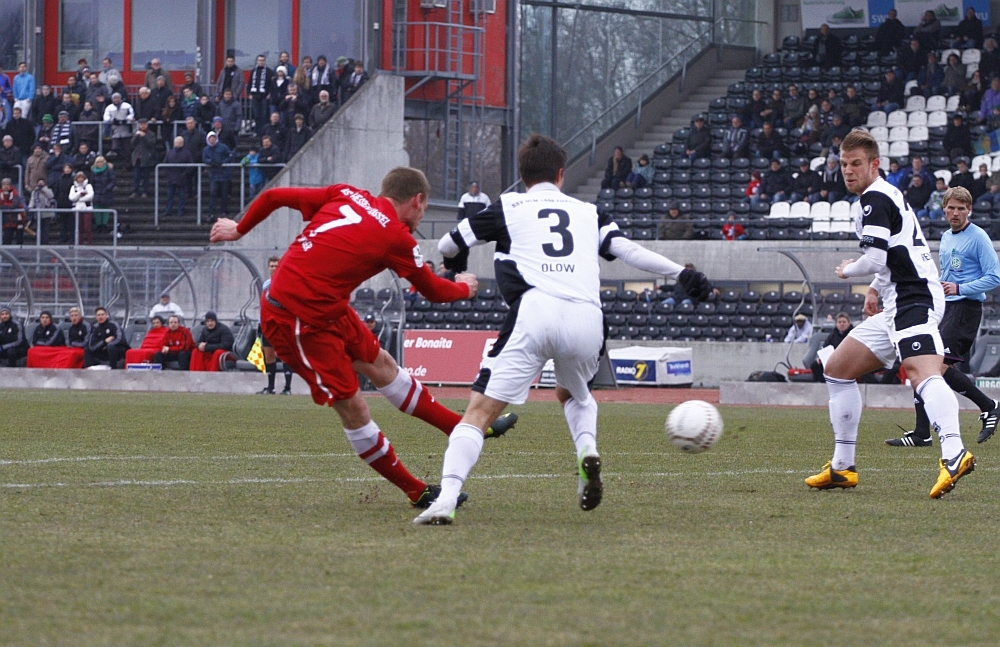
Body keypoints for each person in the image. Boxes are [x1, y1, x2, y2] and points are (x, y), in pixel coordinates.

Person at [414, 133, 715, 525]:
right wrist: (681, 273)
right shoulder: (588, 212)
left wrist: (456, 266)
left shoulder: (509, 205)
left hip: (535, 311)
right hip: (588, 317)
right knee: (575, 394)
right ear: (561, 174)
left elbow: (448, 244)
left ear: (522, 175)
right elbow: (629, 251)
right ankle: (586, 448)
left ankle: (446, 498)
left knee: (479, 412)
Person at [209, 167, 517, 508]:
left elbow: (272, 196)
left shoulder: (344, 193)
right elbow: (433, 291)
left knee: (382, 364)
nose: (421, 215)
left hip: (327, 307)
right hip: (295, 319)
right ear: (416, 201)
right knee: (354, 408)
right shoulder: (396, 237)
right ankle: (417, 491)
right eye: (424, 208)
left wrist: (239, 229)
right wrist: (464, 288)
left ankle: (465, 429)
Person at [805, 130, 974, 499]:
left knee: (920, 372)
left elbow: (876, 259)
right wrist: (876, 289)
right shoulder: (877, 197)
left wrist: (848, 270)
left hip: (915, 297)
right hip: (899, 299)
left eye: (856, 164)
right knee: (837, 368)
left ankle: (955, 453)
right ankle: (842, 468)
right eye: (844, 164)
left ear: (874, 164)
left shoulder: (875, 198)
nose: (848, 171)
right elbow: (891, 255)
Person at [885, 187, 1000, 448]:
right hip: (946, 309)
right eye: (952, 208)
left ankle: (988, 405)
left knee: (936, 366)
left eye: (961, 208)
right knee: (922, 361)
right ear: (944, 208)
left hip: (965, 310)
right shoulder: (947, 236)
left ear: (969, 210)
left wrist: (960, 289)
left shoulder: (978, 237)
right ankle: (922, 433)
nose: (956, 212)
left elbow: (995, 276)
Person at [257, 255, 294, 395]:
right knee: (269, 355)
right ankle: (270, 387)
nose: (274, 268)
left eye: (276, 266)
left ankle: (287, 388)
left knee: (284, 355)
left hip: (281, 324)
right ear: (268, 268)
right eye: (272, 266)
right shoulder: (266, 284)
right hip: (267, 324)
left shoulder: (287, 284)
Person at [811, 312, 853, 381]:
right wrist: (821, 358)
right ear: (836, 324)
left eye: (844, 322)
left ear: (848, 323)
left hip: (849, 361)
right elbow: (825, 347)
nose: (842, 324)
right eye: (839, 322)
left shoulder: (853, 334)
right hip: (833, 360)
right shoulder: (833, 335)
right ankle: (823, 384)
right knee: (815, 365)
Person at [203, 132, 235, 220]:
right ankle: (211, 212)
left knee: (224, 193)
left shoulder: (223, 147)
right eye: (210, 138)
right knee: (213, 193)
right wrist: (211, 162)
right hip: (214, 174)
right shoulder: (206, 149)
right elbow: (204, 158)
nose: (212, 139)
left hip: (224, 174)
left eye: (213, 137)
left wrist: (224, 162)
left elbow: (230, 155)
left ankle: (223, 211)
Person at [163, 136, 193, 217]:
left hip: (182, 178)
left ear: (182, 143)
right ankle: (168, 210)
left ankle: (181, 211)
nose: (178, 144)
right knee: (170, 196)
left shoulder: (187, 153)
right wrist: (168, 174)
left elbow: (190, 165)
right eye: (176, 142)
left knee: (182, 196)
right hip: (171, 178)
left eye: (179, 142)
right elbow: (165, 164)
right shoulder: (170, 152)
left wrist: (185, 174)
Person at [103, 93, 134, 168]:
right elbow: (106, 117)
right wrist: (113, 120)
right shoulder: (109, 107)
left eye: (118, 98)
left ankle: (127, 165)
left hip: (126, 131)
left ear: (120, 98)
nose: (116, 99)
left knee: (127, 150)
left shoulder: (127, 106)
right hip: (115, 131)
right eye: (115, 98)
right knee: (115, 148)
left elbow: (132, 114)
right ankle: (121, 158)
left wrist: (126, 119)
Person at [248, 55, 274, 136]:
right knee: (256, 115)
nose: (261, 62)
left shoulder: (269, 71)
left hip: (264, 96)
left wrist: (270, 93)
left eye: (262, 60)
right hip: (255, 96)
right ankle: (257, 132)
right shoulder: (253, 71)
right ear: (257, 61)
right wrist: (249, 93)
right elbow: (250, 83)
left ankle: (264, 132)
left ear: (265, 61)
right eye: (259, 60)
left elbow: (271, 84)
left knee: (264, 115)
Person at [89, 155, 115, 235]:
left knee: (105, 210)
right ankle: (98, 225)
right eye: (98, 162)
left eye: (101, 162)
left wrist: (107, 189)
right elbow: (92, 182)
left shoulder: (109, 170)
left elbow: (113, 181)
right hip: (96, 192)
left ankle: (104, 225)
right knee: (97, 210)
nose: (100, 163)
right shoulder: (93, 172)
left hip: (106, 192)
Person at [69, 170, 93, 245]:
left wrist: (80, 199)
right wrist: (80, 194)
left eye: (82, 177)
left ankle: (90, 243)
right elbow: (71, 198)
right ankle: (80, 242)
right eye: (78, 178)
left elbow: (90, 196)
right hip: (77, 209)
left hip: (87, 208)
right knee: (79, 227)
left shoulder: (88, 186)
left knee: (87, 227)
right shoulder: (73, 187)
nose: (80, 179)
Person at [0, 177, 26, 245]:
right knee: (7, 239)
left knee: (19, 238)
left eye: (7, 185)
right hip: (6, 221)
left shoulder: (15, 193)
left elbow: (15, 204)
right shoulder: (0, 194)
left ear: (10, 185)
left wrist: (4, 206)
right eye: (4, 185)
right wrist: (8, 206)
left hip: (17, 220)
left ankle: (20, 254)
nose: (6, 186)